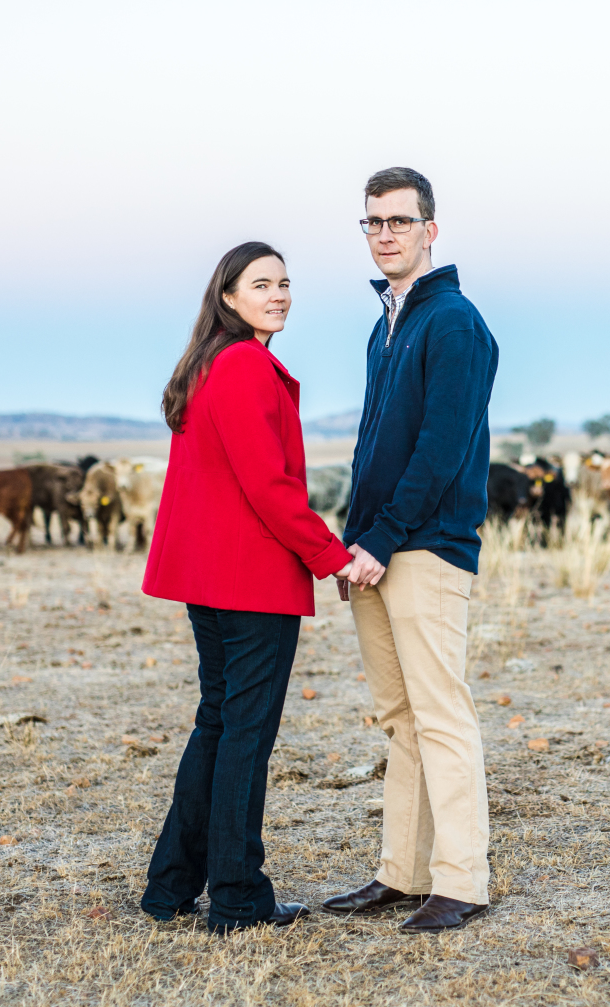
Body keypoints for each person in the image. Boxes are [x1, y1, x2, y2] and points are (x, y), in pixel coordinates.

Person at [140, 241, 358, 933]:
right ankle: (236, 899)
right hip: (248, 580)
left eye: (285, 283)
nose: (279, 295)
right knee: (244, 735)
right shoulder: (242, 366)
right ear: (228, 296)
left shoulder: (209, 364)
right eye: (261, 284)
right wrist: (332, 557)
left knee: (218, 723)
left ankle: (171, 887)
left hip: (212, 577)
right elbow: (269, 486)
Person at [321, 168, 499, 933]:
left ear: (431, 229)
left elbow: (441, 448)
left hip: (426, 547)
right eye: (373, 222)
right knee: (400, 718)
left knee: (440, 712)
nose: (385, 234)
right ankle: (403, 873)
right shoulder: (387, 324)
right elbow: (374, 444)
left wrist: (385, 537)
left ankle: (462, 881)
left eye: (399, 220)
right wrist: (353, 543)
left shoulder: (453, 322)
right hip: (376, 551)